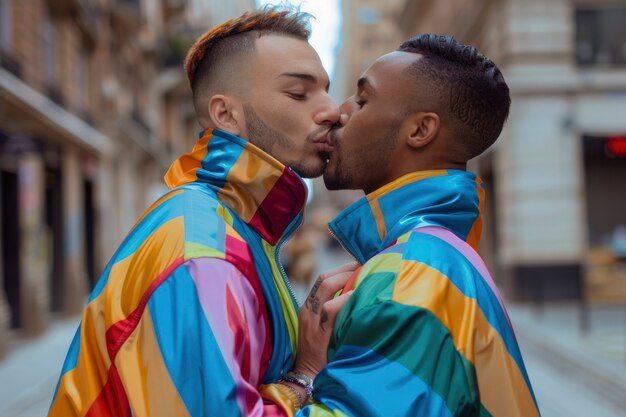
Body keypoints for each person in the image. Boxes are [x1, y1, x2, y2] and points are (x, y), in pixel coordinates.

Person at [48, 6, 356, 416]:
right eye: (299, 93)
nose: (331, 110)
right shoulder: (203, 252)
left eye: (325, 90)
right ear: (225, 114)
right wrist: (305, 375)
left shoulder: (236, 227)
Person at [298, 34, 541, 416]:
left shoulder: (411, 274)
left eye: (362, 100)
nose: (337, 112)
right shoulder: (433, 256)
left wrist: (306, 374)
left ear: (420, 131)